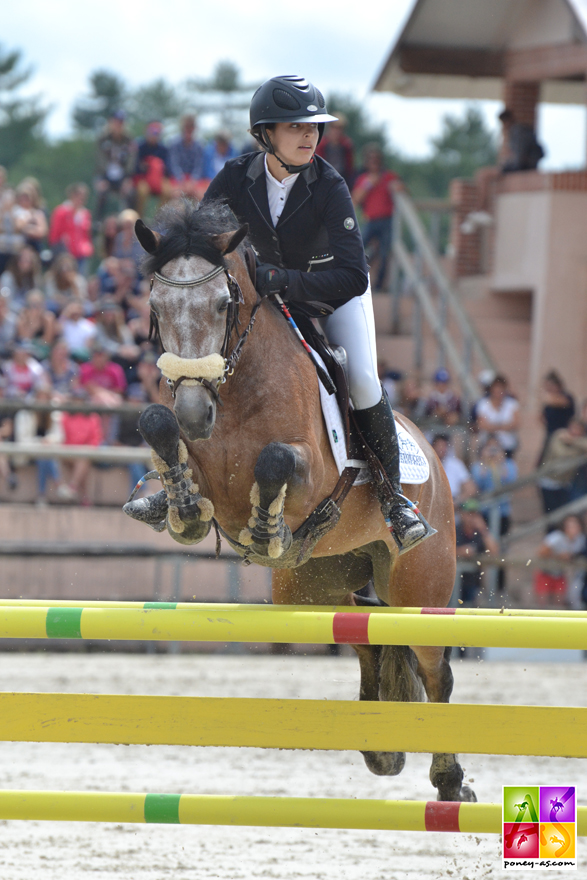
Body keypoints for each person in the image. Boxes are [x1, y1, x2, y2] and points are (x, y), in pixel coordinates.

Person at [196, 75, 431, 553]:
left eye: (315, 127)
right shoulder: (234, 178)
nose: (311, 137)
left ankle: (394, 500)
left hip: (332, 294)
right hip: (264, 301)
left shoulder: (329, 185)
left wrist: (284, 281)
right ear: (265, 134)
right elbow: (203, 246)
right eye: (296, 127)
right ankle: (175, 482)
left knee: (362, 377)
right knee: (202, 362)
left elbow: (353, 275)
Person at [351, 143, 399, 291]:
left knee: (385, 253)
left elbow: (403, 192)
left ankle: (379, 285)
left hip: (387, 221)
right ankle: (351, 279)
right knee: (357, 250)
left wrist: (399, 187)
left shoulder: (389, 176)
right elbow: (355, 200)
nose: (374, 162)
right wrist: (368, 184)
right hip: (370, 220)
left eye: (377, 159)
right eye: (371, 159)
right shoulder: (363, 178)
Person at [534, 514, 586, 608]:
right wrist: (558, 556)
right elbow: (541, 552)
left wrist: (570, 557)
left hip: (560, 573)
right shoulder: (556, 537)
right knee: (542, 603)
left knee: (559, 603)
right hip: (546, 572)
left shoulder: (580, 539)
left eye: (575, 526)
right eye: (570, 526)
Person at [455, 499, 499, 606]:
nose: (472, 517)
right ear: (462, 514)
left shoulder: (480, 534)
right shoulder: (455, 530)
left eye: (474, 514)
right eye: (469, 514)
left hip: (473, 584)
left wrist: (483, 529)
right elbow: (445, 551)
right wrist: (461, 552)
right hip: (454, 583)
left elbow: (494, 552)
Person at [94, 110, 135, 220]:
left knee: (130, 193)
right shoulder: (103, 139)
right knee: (101, 192)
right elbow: (99, 160)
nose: (118, 126)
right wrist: (102, 177)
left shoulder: (128, 140)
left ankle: (130, 220)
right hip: (105, 174)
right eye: (116, 122)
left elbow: (131, 160)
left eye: (120, 123)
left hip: (122, 175)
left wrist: (127, 177)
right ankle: (98, 221)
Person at [48, 183, 94, 274]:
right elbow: (54, 235)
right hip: (65, 254)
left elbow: (86, 235)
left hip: (81, 254)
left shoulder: (85, 214)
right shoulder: (61, 212)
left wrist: (88, 248)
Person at [132, 121, 173, 218]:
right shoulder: (140, 147)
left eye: (156, 133)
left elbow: (168, 170)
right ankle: (138, 218)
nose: (154, 135)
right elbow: (135, 168)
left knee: (167, 191)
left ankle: (160, 220)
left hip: (159, 179)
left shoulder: (163, 149)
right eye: (151, 132)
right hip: (143, 179)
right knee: (142, 191)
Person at [475, 375, 520, 457]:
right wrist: (503, 426)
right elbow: (482, 424)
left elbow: (516, 423)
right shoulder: (484, 403)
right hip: (487, 444)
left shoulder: (512, 403)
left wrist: (492, 426)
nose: (498, 391)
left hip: (507, 444)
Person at [431, 433, 476, 505]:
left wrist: (456, 502)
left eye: (444, 446)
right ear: (433, 446)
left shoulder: (456, 464)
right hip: (432, 502)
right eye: (439, 445)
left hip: (454, 503)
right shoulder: (426, 464)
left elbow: (471, 489)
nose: (441, 449)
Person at [168, 115, 205, 200]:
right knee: (176, 194)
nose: (189, 129)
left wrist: (192, 181)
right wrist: (182, 180)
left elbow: (199, 166)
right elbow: (174, 164)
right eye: (187, 126)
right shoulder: (174, 144)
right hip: (178, 178)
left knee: (201, 195)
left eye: (191, 126)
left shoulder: (199, 145)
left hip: (193, 180)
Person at [499, 108, 544, 173]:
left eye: (504, 122)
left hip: (527, 165)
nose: (503, 126)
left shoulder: (519, 131)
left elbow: (520, 153)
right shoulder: (515, 131)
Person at [315, 114, 355, 186]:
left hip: (341, 179)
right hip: (322, 179)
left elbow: (349, 168)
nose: (336, 131)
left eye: (339, 128)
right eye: (334, 128)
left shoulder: (347, 146)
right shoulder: (321, 144)